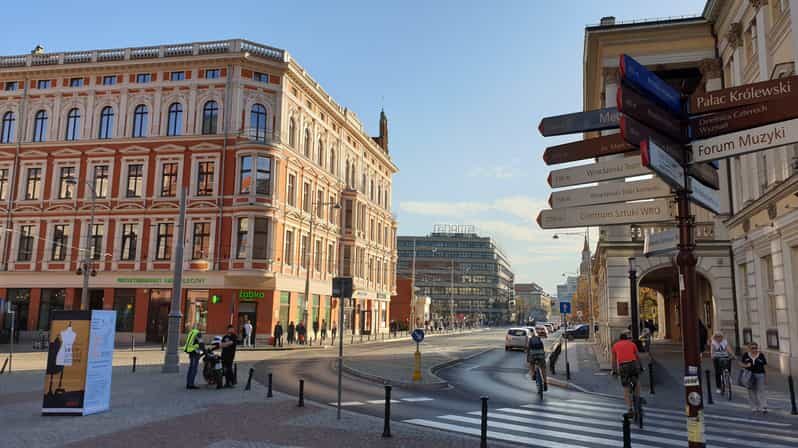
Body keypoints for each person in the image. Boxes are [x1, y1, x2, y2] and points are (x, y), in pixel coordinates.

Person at [612, 333, 641, 414]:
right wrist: (641, 366)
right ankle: (637, 398)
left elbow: (614, 361)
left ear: (620, 339)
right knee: (637, 381)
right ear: (627, 339)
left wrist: (614, 371)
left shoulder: (615, 345)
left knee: (626, 387)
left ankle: (630, 408)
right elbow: (638, 356)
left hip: (623, 366)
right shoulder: (632, 344)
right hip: (633, 364)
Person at [741, 342, 768, 413]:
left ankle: (763, 406)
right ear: (749, 349)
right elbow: (741, 364)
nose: (755, 350)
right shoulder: (746, 355)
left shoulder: (761, 355)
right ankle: (754, 407)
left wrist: (766, 376)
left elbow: (765, 366)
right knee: (751, 391)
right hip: (749, 375)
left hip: (760, 374)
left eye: (756, 348)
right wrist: (746, 366)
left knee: (761, 390)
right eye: (753, 348)